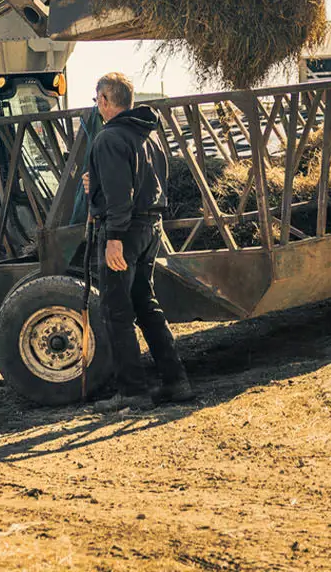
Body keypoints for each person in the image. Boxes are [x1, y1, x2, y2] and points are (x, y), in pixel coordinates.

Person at [85, 73, 192, 409]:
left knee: (116, 310)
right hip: (151, 227)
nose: (96, 106)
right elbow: (150, 180)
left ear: (104, 100)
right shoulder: (149, 135)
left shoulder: (109, 137)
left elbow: (120, 194)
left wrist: (113, 237)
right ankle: (176, 382)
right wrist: (98, 185)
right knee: (145, 304)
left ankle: (132, 391)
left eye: (96, 100)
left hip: (125, 231)